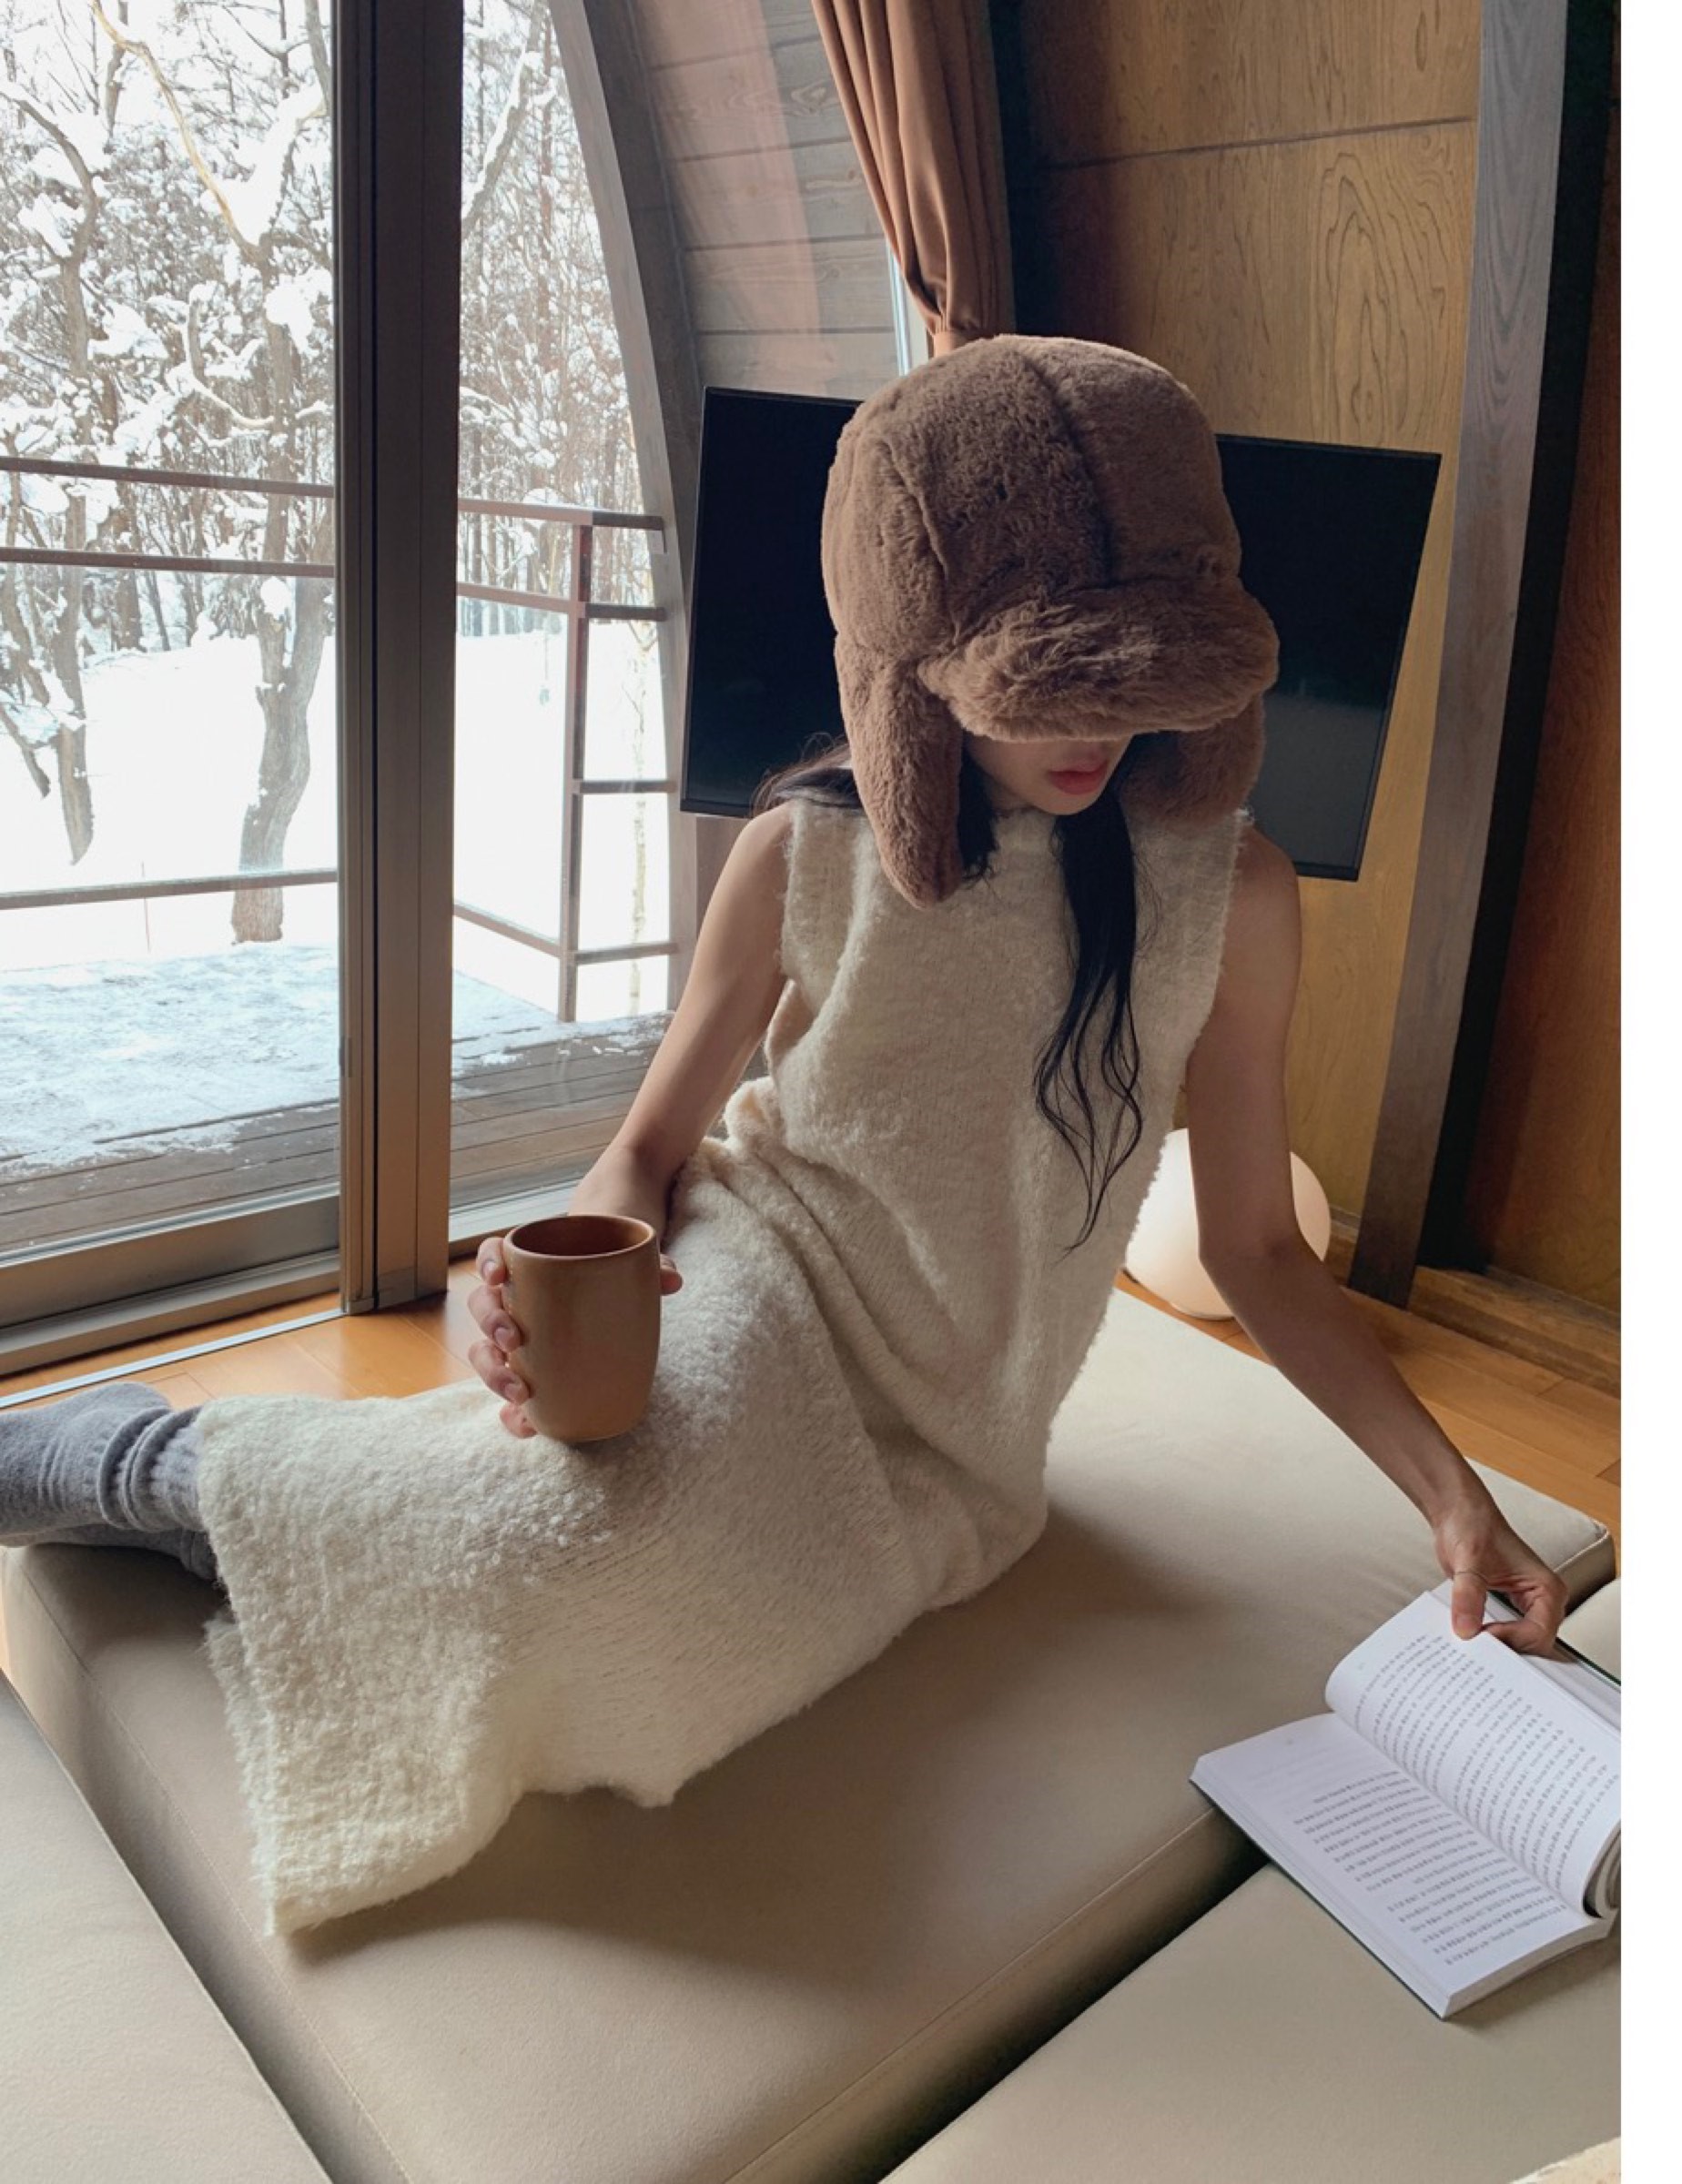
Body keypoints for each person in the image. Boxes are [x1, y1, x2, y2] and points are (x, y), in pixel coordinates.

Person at [0, 338, 1568, 1934]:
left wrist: (1457, 1503)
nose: (1093, 731)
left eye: (1136, 677)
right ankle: (143, 1464)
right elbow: (649, 1149)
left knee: (682, 1659)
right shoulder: (805, 851)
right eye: (1046, 686)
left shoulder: (1233, 891)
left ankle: (233, 1498)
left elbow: (1257, 1251)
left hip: (965, 1434)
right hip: (767, 1277)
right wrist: (564, 1266)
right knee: (563, 1548)